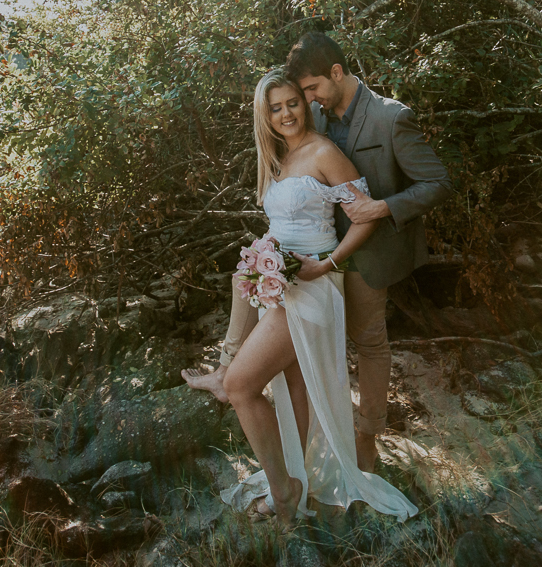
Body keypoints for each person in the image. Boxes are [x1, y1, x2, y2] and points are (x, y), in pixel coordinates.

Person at [184, 32, 452, 472]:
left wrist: (381, 207)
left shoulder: (390, 117)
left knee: (369, 343)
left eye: (310, 90)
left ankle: (367, 437)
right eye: (299, 95)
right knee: (298, 355)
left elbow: (437, 183)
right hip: (316, 250)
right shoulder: (317, 118)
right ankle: (303, 455)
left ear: (336, 73)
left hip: (368, 252)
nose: (306, 101)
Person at [215, 67, 418, 523]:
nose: (286, 113)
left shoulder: (324, 151)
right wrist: (263, 261)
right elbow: (284, 224)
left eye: (293, 103)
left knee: (239, 386)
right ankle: (299, 480)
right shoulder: (279, 158)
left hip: (313, 287)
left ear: (305, 104)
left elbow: (364, 218)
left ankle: (283, 491)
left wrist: (327, 263)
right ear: (264, 115)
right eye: (276, 108)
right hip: (282, 287)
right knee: (294, 389)